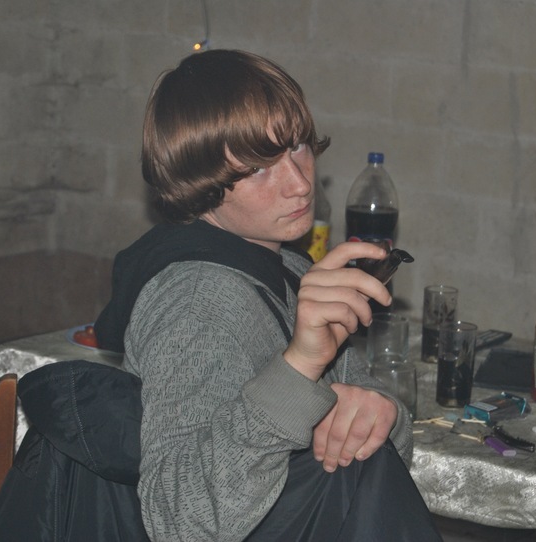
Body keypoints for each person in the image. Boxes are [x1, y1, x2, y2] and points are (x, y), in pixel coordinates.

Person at [94, 49, 442, 542]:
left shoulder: (292, 268)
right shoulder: (197, 302)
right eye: (259, 168)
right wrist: (298, 368)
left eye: (297, 146)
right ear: (200, 182)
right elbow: (177, 521)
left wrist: (382, 413)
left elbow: (370, 424)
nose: (299, 183)